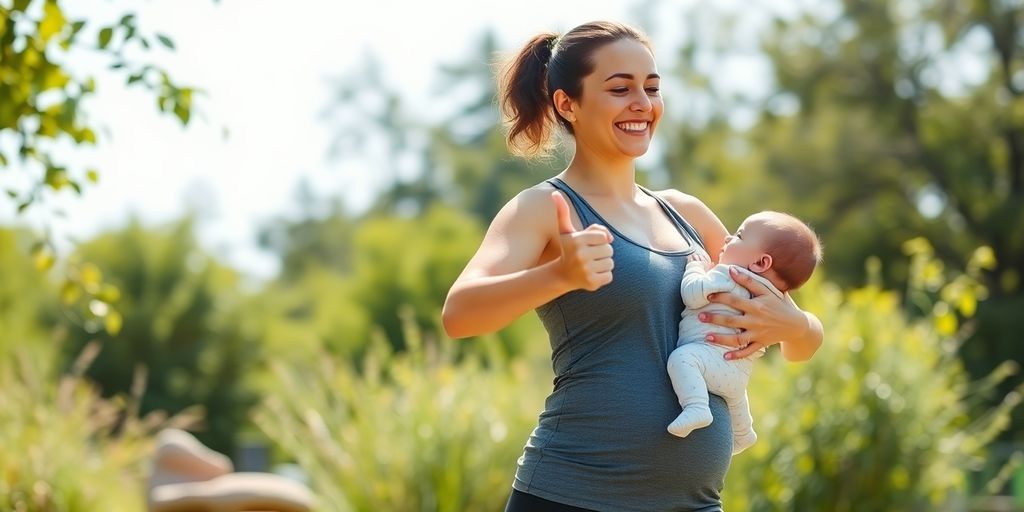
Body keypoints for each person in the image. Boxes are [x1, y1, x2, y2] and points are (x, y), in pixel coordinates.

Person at [441, 20, 824, 512]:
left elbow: (802, 344)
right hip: (571, 495)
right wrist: (558, 275)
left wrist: (792, 324)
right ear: (567, 104)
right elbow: (459, 315)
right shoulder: (545, 208)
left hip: (694, 502)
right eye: (620, 88)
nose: (642, 103)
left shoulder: (686, 213)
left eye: (652, 87)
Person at [667, 211, 823, 457]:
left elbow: (692, 293)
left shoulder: (727, 273)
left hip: (708, 357)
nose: (727, 238)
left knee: (682, 359)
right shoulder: (774, 295)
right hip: (738, 371)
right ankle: (744, 432)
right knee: (736, 395)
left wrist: (695, 267)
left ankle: (696, 406)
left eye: (739, 235)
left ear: (761, 263)